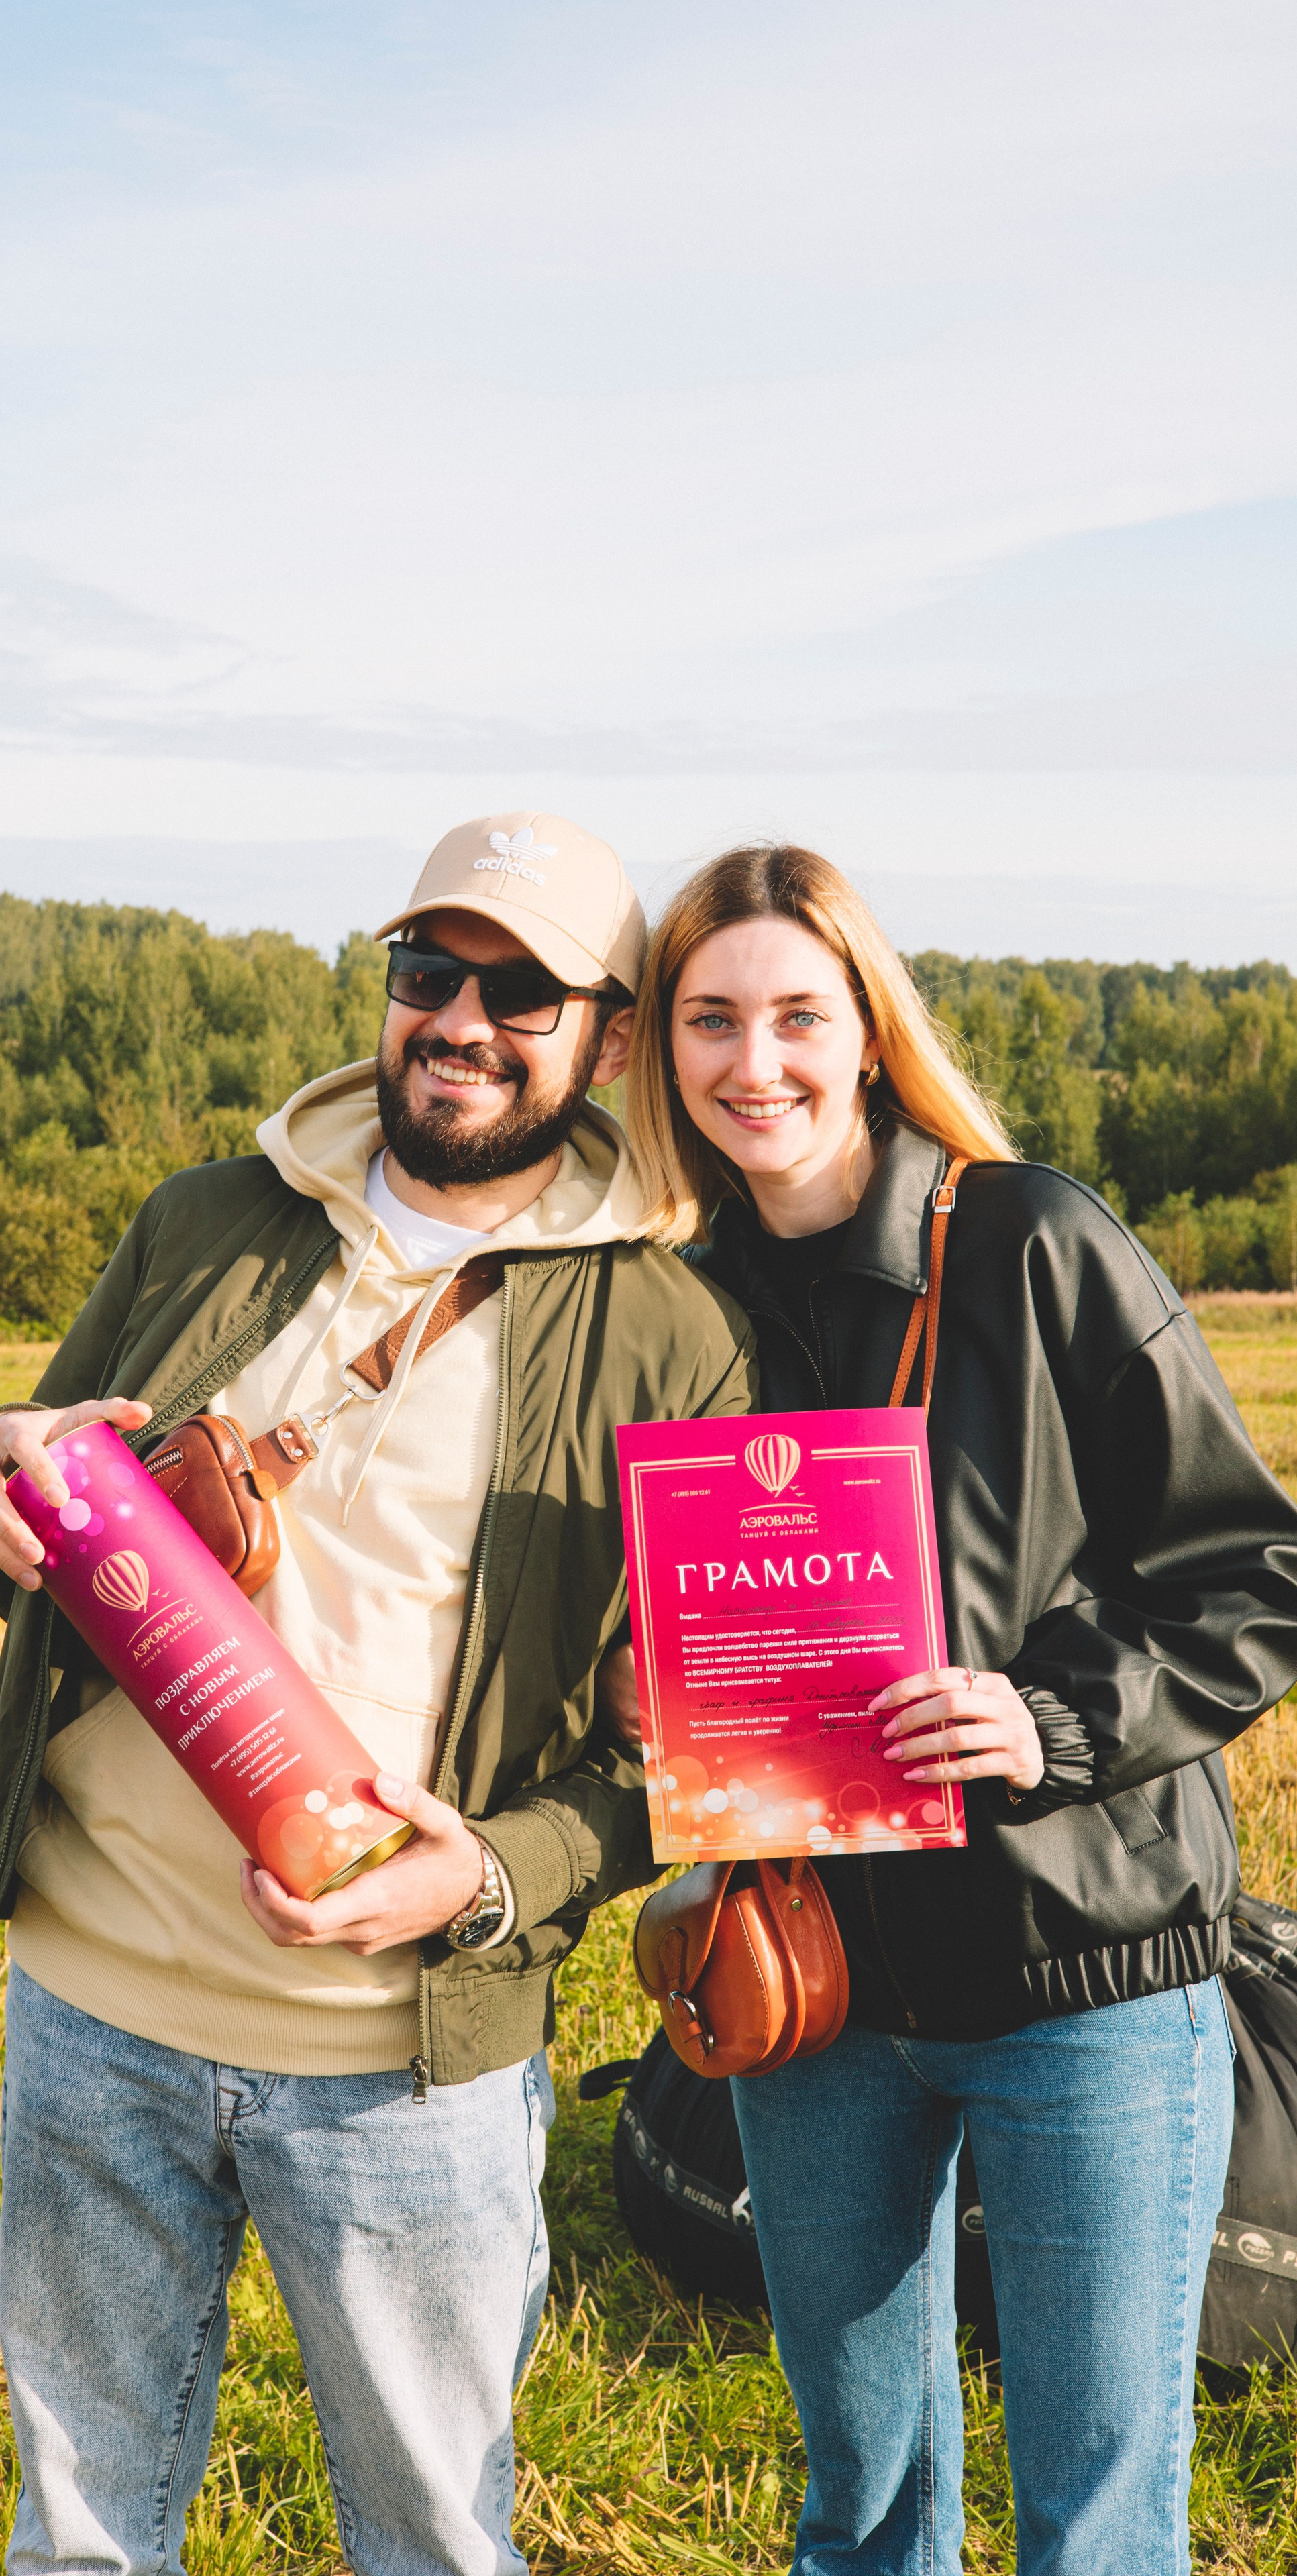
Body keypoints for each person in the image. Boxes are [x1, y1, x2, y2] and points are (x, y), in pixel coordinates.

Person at [0, 811, 756, 2576]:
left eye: (523, 991)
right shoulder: (209, 1220)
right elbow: (41, 1493)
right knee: (77, 2535)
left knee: (432, 2547)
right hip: (94, 2012)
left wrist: (487, 1875)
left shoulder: (669, 1334)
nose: (460, 1021)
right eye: (429, 972)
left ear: (607, 1038)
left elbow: (694, 1757)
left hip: (404, 2072)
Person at [611, 841, 1297, 2576]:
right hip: (811, 1989)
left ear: (867, 1025)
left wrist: (1047, 1722)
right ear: (662, 1049)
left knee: (1092, 2526)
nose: (750, 1064)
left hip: (1087, 1978)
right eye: (708, 1020)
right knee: (862, 2510)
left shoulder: (1034, 1242)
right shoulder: (667, 1300)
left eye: (793, 1015)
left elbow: (1253, 1577)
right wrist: (640, 1677)